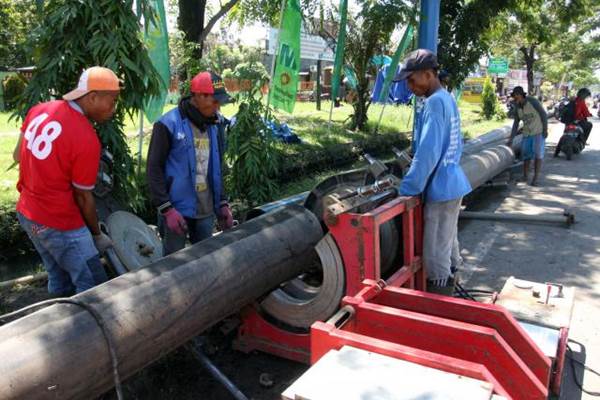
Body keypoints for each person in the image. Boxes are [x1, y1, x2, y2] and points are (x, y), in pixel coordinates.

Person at [13, 66, 119, 296]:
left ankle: (57, 324)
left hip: (28, 213)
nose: (114, 109)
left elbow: (16, 155)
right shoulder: (86, 138)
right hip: (59, 223)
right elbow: (83, 196)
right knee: (93, 285)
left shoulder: (39, 109)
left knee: (59, 278)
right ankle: (90, 331)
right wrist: (97, 235)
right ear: (92, 97)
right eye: (112, 101)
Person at [395, 49, 472, 295]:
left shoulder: (435, 102)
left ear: (428, 74)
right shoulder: (447, 98)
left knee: (434, 254)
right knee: (448, 243)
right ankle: (453, 282)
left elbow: (428, 154)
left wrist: (406, 189)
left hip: (440, 188)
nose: (409, 85)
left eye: (412, 79)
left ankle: (440, 302)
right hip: (453, 181)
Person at [146, 71, 234, 255]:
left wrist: (223, 202)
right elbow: (154, 168)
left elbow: (217, 166)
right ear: (199, 96)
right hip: (176, 212)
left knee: (205, 259)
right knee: (172, 263)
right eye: (215, 101)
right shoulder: (167, 125)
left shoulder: (216, 124)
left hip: (206, 210)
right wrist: (166, 209)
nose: (218, 107)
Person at [508, 86, 548, 186]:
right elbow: (516, 124)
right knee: (526, 156)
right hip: (527, 134)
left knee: (538, 156)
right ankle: (525, 177)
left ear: (521, 95)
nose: (515, 99)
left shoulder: (532, 101)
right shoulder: (517, 107)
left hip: (538, 132)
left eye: (517, 96)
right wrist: (511, 139)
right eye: (514, 97)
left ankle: (535, 178)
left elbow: (543, 114)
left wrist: (545, 130)